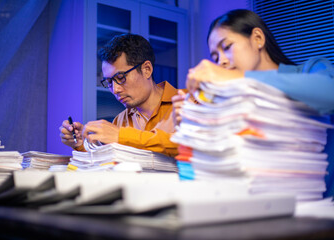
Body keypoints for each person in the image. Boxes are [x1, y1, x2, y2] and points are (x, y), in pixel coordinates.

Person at [172, 9, 334, 196]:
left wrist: (239, 77)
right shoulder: (231, 103)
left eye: (227, 47)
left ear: (257, 38)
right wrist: (193, 125)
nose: (222, 62)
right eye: (215, 57)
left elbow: (329, 91)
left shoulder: (310, 70)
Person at [60, 33, 180, 157]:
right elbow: (106, 162)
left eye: (121, 77)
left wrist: (121, 136)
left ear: (147, 69)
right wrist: (80, 144)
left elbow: (189, 146)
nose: (115, 89)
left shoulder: (191, 104)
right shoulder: (120, 121)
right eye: (109, 82)